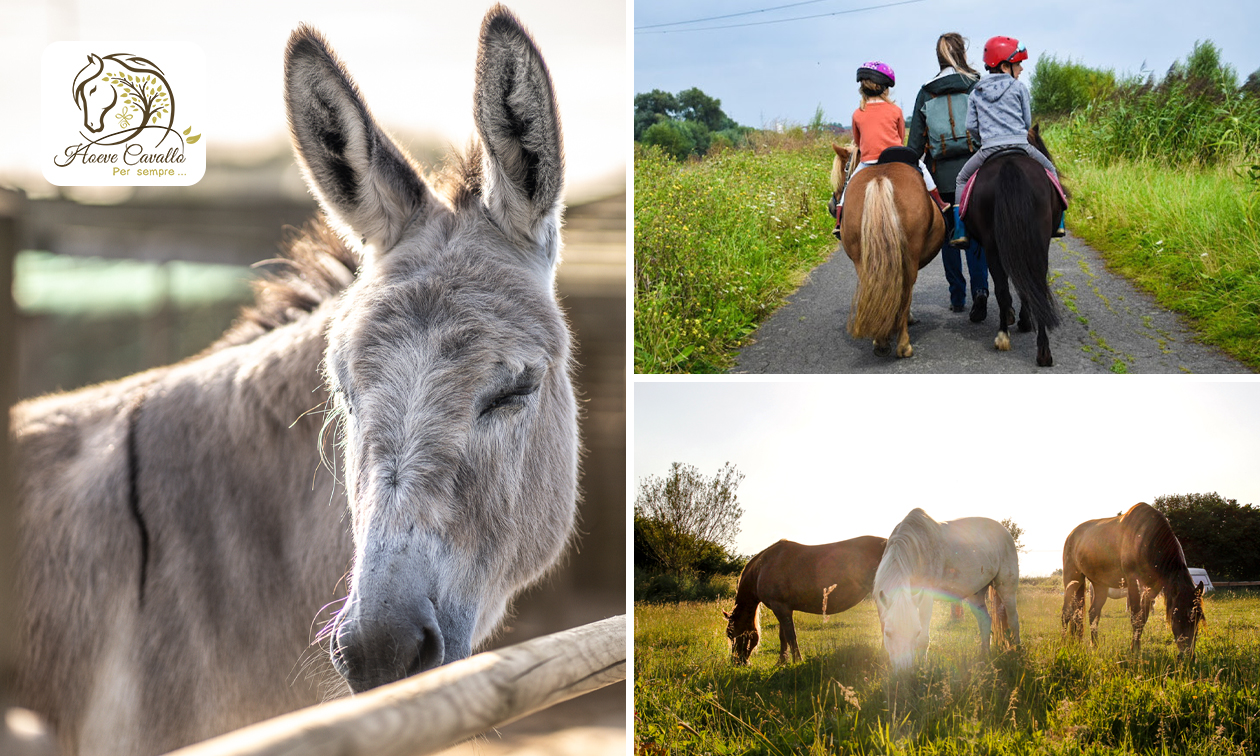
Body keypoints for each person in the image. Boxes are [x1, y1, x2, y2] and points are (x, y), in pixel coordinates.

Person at [951, 36, 1065, 248]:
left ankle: (960, 230)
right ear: (1004, 66)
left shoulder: (976, 92)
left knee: (961, 179)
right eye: (1018, 64)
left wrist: (985, 140)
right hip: (1021, 145)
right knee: (1050, 169)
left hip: (988, 149)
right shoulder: (1019, 88)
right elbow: (1027, 121)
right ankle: (1059, 222)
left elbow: (971, 126)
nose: (1021, 68)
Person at [907, 32, 990, 321]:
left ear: (939, 57)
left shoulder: (926, 92)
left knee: (948, 237)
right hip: (975, 173)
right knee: (976, 233)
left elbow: (915, 145)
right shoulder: (975, 84)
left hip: (941, 176)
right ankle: (981, 289)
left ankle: (957, 296)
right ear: (962, 54)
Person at [834, 61, 951, 230]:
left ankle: (839, 220)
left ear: (862, 89)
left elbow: (858, 142)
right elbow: (901, 138)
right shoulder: (895, 110)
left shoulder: (857, 114)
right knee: (923, 170)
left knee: (849, 185)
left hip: (868, 161)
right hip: (895, 157)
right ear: (885, 89)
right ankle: (940, 202)